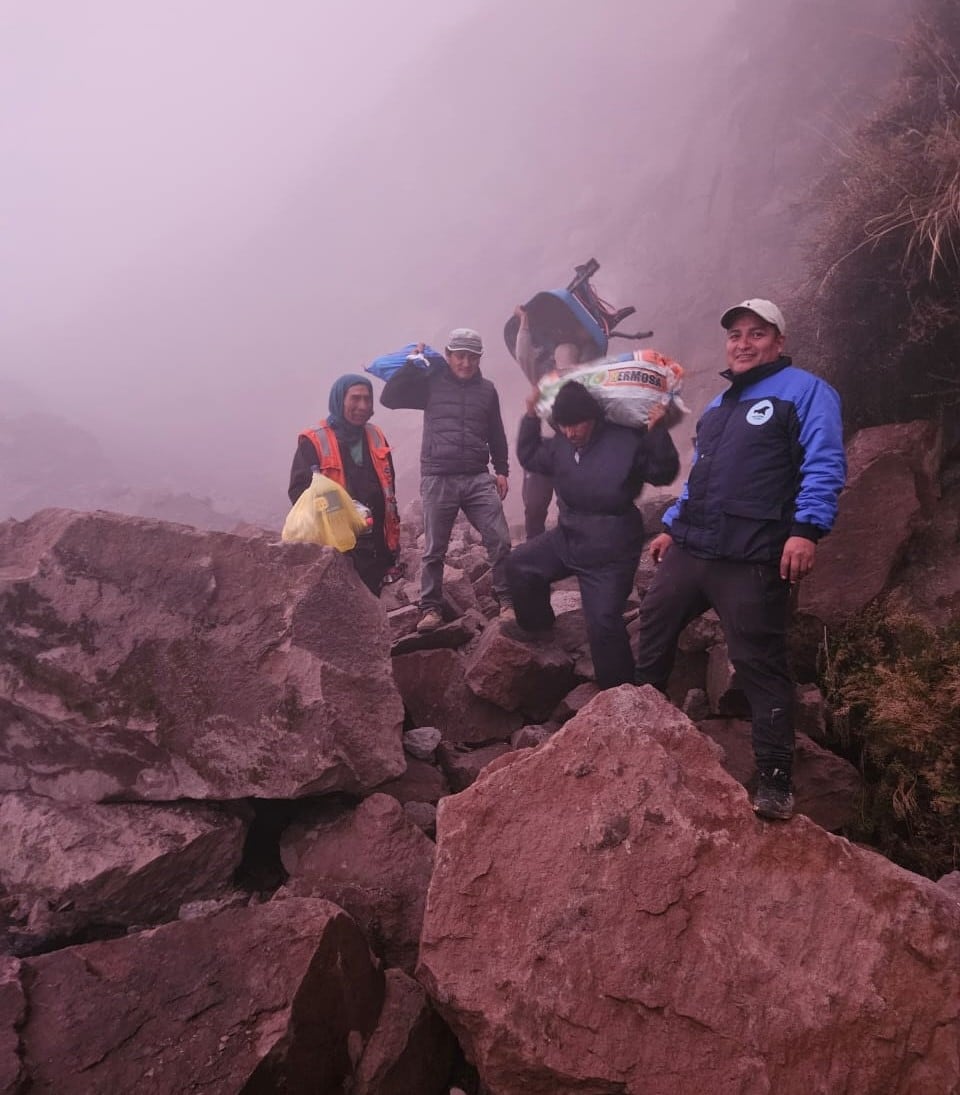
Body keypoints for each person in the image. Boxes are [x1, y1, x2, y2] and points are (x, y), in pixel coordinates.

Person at [633, 299, 846, 821]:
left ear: (779, 342)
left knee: (760, 665)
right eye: (735, 335)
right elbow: (701, 476)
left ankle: (775, 778)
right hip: (693, 548)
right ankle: (637, 736)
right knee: (651, 637)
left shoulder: (808, 392)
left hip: (752, 557)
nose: (743, 343)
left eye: (756, 333)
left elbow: (824, 462)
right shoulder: (721, 405)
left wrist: (806, 531)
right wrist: (672, 526)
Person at [506, 380, 680, 689]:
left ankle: (622, 695)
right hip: (568, 536)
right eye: (564, 426)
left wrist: (657, 431)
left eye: (578, 425)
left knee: (602, 623)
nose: (571, 433)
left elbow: (662, 473)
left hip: (611, 549)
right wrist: (531, 415)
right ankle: (540, 627)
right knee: (519, 564)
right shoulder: (561, 443)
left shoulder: (625, 440)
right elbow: (530, 456)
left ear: (594, 418)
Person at [380, 328, 512, 632]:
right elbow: (390, 398)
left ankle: (507, 602)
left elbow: (497, 433)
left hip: (478, 477)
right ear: (449, 356)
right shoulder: (431, 384)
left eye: (471, 357)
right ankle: (431, 609)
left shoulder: (488, 391)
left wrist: (502, 470)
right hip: (438, 476)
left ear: (479, 358)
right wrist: (412, 364)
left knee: (501, 540)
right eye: (459, 356)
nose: (465, 363)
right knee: (434, 549)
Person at [288, 373, 399, 596]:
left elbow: (389, 484)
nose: (363, 406)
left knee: (375, 601)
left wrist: (392, 549)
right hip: (338, 544)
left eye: (367, 399)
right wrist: (340, 507)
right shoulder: (314, 441)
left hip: (376, 539)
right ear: (339, 400)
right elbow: (299, 491)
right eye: (355, 399)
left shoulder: (375, 434)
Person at [513, 305, 585, 540]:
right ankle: (535, 547)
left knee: (570, 502)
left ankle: (572, 548)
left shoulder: (587, 388)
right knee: (534, 506)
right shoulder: (544, 380)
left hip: (574, 449)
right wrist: (524, 322)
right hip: (549, 446)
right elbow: (524, 355)